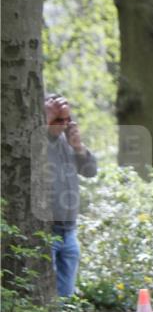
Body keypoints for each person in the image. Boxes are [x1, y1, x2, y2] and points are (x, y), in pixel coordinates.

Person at [45, 95, 98, 297]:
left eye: (67, 121)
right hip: (45, 230)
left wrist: (78, 147)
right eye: (58, 120)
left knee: (66, 295)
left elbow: (90, 171)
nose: (63, 125)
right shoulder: (36, 142)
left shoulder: (67, 142)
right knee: (45, 291)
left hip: (68, 230)